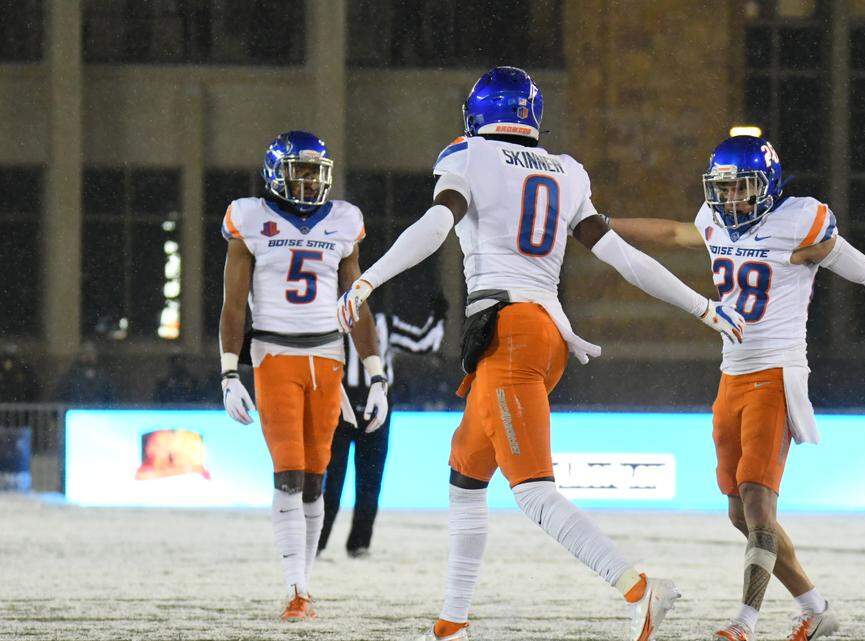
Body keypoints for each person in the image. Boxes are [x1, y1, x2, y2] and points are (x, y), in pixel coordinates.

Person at [337, 66, 747, 641]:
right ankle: (452, 619)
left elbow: (435, 225)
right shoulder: (567, 171)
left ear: (477, 116)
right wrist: (702, 306)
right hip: (543, 331)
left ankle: (639, 587)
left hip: (510, 332)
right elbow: (623, 258)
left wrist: (369, 279)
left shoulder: (468, 155)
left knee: (531, 490)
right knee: (465, 470)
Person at [609, 134, 865, 641]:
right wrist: (596, 224)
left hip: (776, 374)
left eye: (740, 189)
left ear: (766, 187)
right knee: (739, 512)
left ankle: (744, 621)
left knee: (756, 503)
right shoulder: (714, 222)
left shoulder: (799, 221)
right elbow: (669, 232)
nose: (730, 201)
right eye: (722, 190)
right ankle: (815, 608)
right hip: (731, 374)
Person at [217, 130, 388, 622]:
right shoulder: (251, 218)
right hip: (275, 356)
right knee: (289, 472)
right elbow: (232, 307)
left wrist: (375, 375)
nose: (311, 179)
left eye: (316, 170)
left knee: (316, 479)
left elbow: (356, 303)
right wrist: (230, 373)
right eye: (302, 169)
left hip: (329, 359)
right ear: (276, 172)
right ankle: (297, 588)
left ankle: (304, 582)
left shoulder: (343, 221)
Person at [318, 299, 446, 558]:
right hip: (341, 406)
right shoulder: (345, 318)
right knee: (340, 481)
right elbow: (423, 343)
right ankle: (327, 542)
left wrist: (438, 316)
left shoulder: (377, 320)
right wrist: (440, 316)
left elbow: (423, 343)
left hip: (371, 407)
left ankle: (351, 543)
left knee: (359, 482)